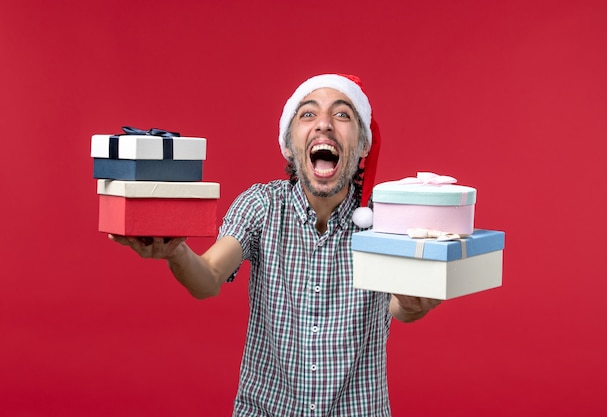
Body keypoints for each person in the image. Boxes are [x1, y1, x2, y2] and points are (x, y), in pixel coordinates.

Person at [110, 73, 441, 416]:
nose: (324, 124)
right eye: (308, 114)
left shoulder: (385, 218)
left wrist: (415, 304)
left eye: (342, 115)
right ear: (287, 143)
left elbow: (397, 307)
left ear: (363, 145)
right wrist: (176, 252)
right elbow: (208, 278)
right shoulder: (261, 206)